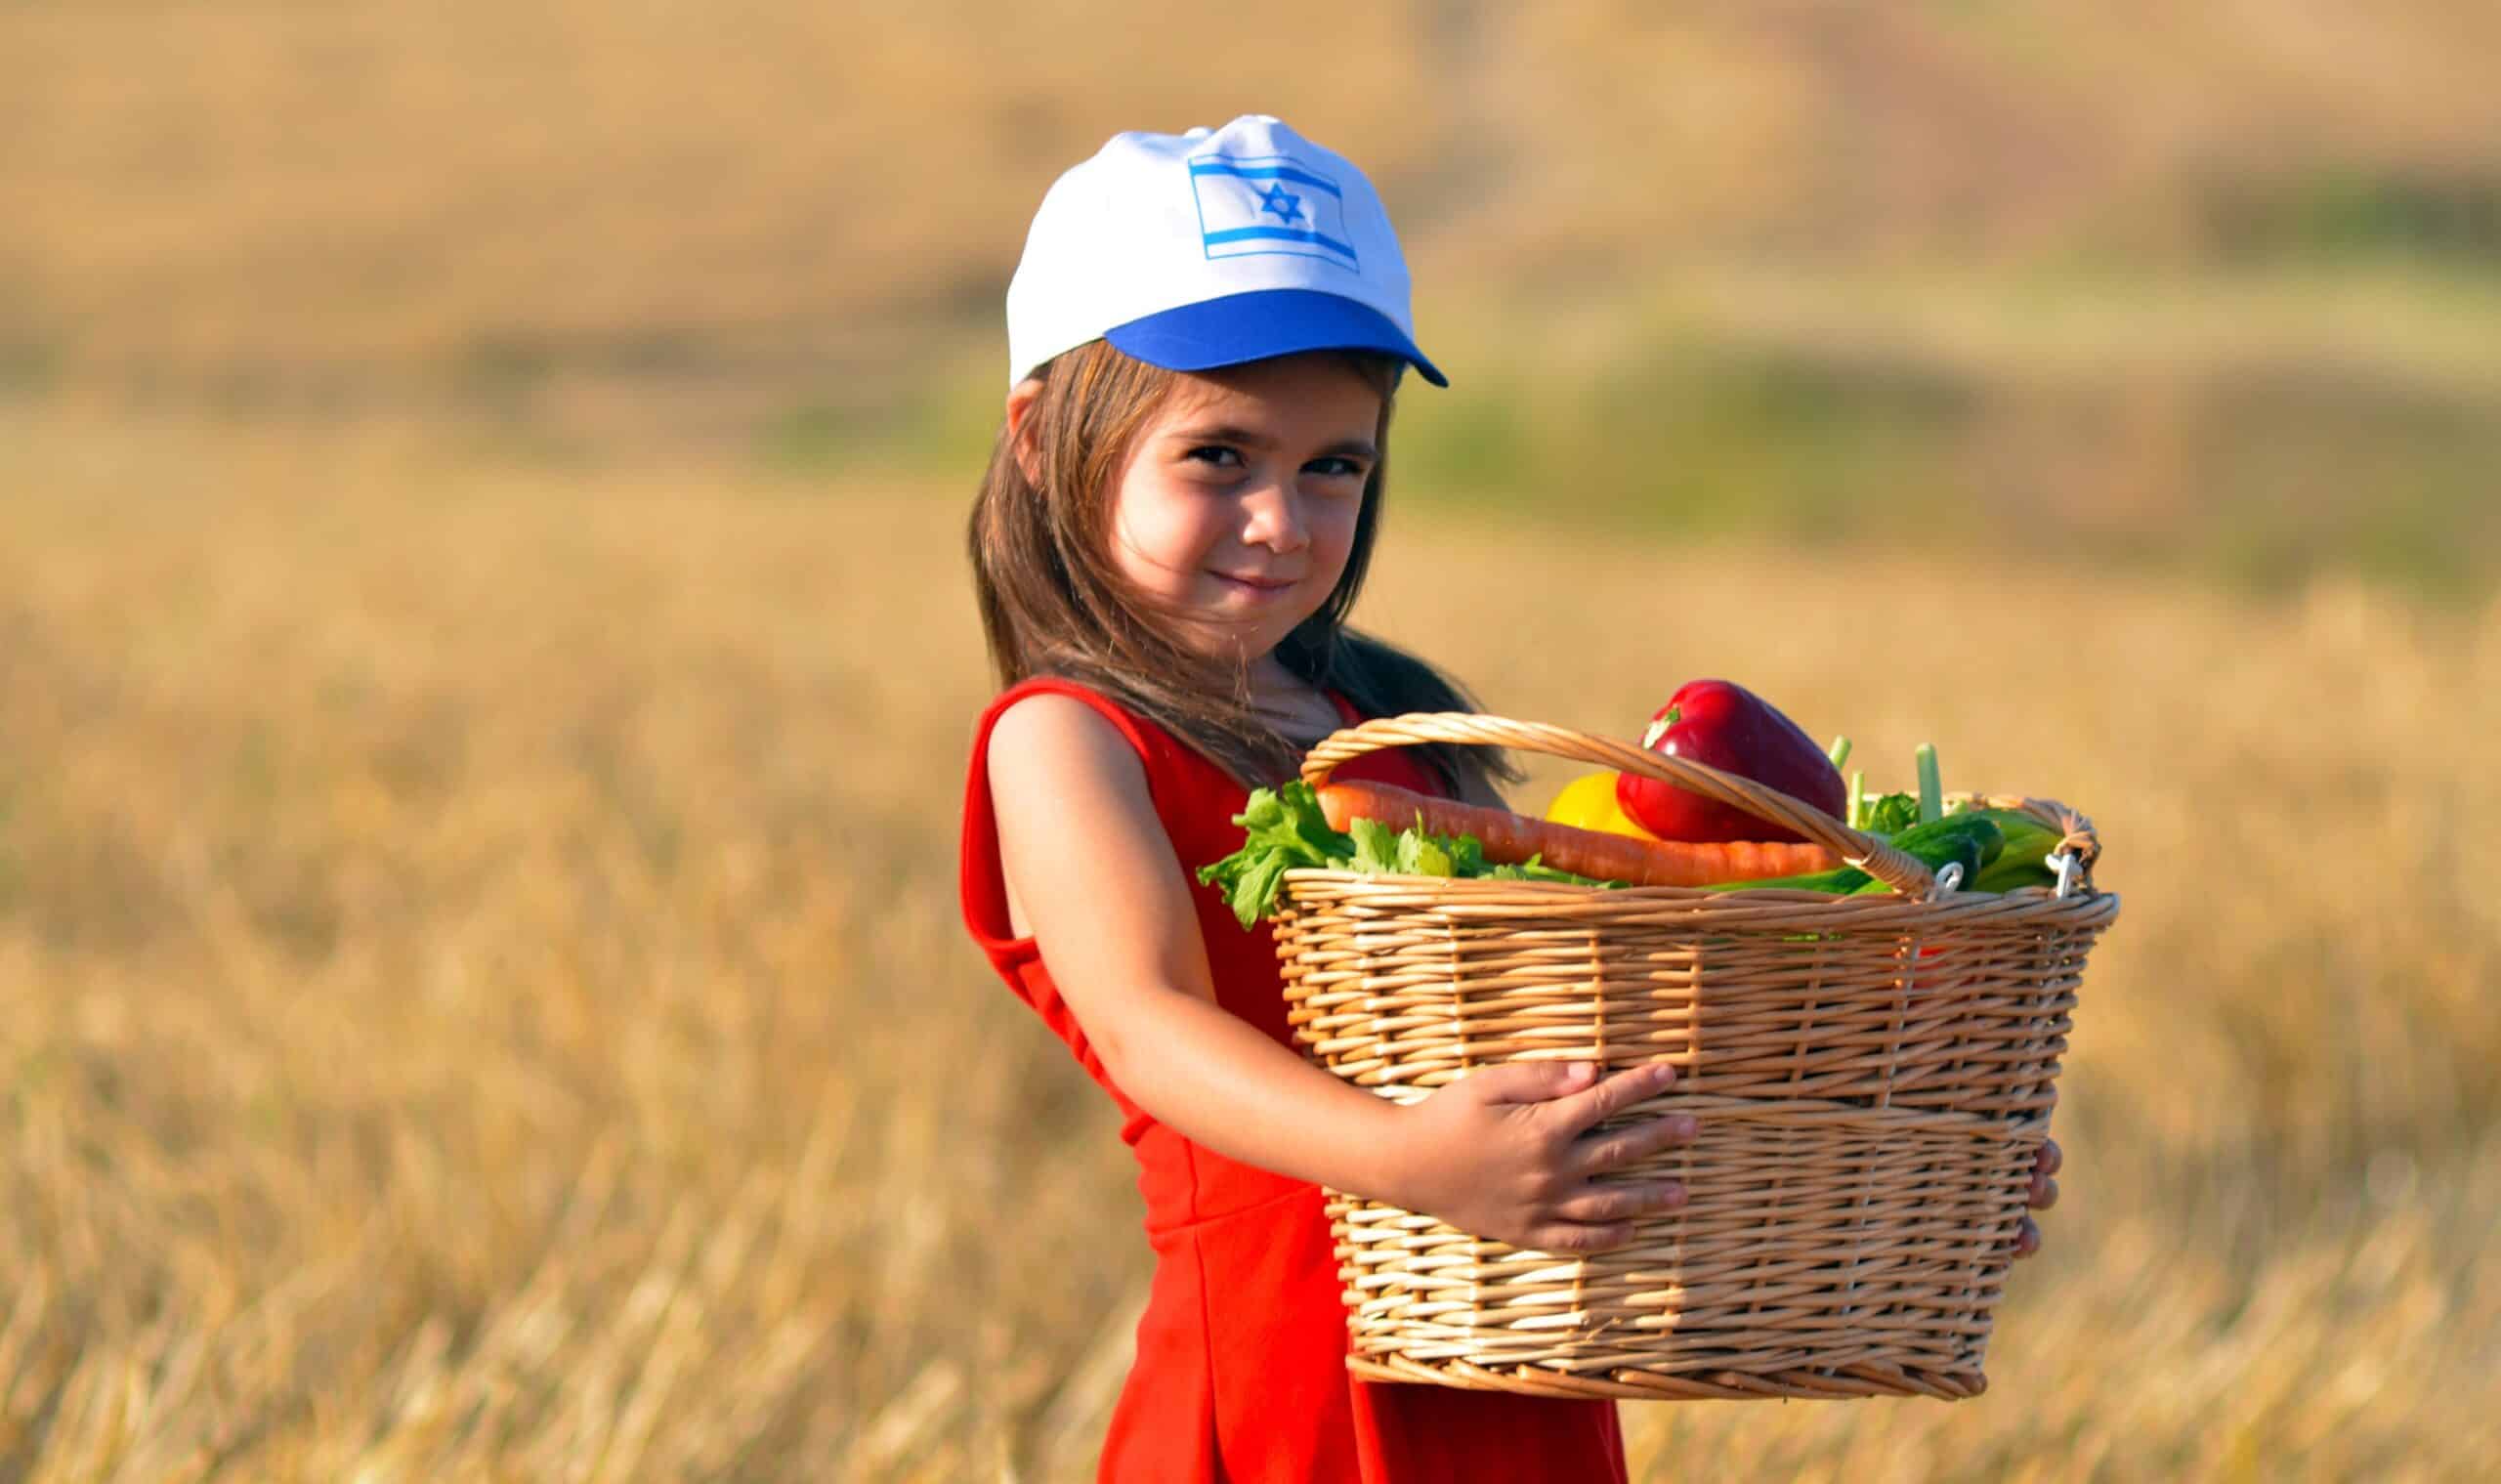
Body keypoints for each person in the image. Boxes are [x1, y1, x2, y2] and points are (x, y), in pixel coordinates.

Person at [957, 115, 2059, 1482]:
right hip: (1284, 1397)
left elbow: (1581, 1042)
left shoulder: (1387, 736)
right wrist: (1411, 1160)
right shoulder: (1067, 739)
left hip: (1508, 1382)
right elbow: (1150, 1024)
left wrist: (1895, 1174)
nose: (1280, 521)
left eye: (1333, 467)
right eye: (1219, 457)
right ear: (1037, 439)